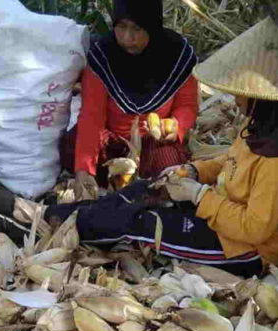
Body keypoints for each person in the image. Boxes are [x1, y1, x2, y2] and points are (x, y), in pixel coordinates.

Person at [0, 17, 278, 276]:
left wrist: (197, 196)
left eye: (242, 94)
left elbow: (254, 228)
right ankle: (42, 217)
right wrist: (194, 171)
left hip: (245, 250)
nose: (236, 100)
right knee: (143, 190)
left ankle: (38, 227)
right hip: (224, 215)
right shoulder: (264, 128)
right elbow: (230, 161)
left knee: (143, 224)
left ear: (265, 101)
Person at [60, 0, 199, 200]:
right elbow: (92, 116)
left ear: (152, 26)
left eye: (136, 29)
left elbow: (187, 105)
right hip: (111, 140)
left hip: (154, 140)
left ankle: (141, 190)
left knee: (170, 168)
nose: (127, 38)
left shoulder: (177, 54)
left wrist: (177, 126)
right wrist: (84, 169)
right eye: (121, 27)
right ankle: (114, 186)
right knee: (71, 146)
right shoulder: (103, 56)